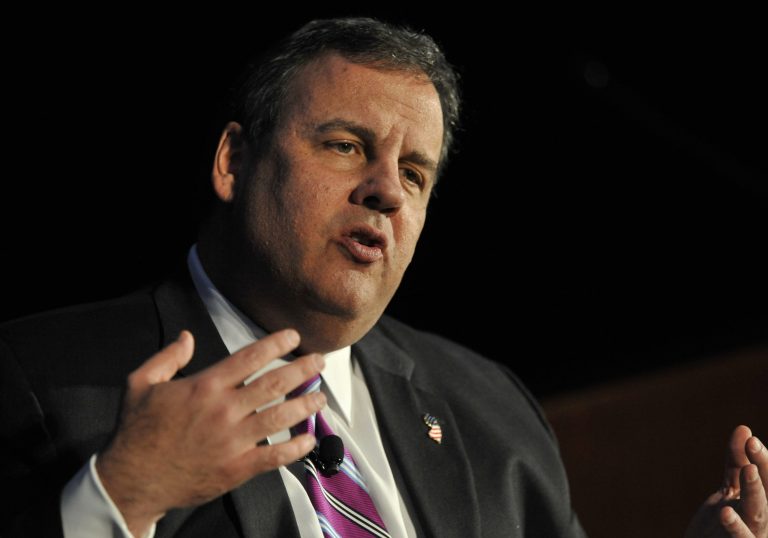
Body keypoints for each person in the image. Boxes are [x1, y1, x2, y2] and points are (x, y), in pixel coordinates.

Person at [0, 16, 764, 538]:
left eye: (416, 173)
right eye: (344, 146)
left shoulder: (490, 409)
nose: (387, 191)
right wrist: (123, 496)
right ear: (234, 161)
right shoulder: (40, 376)